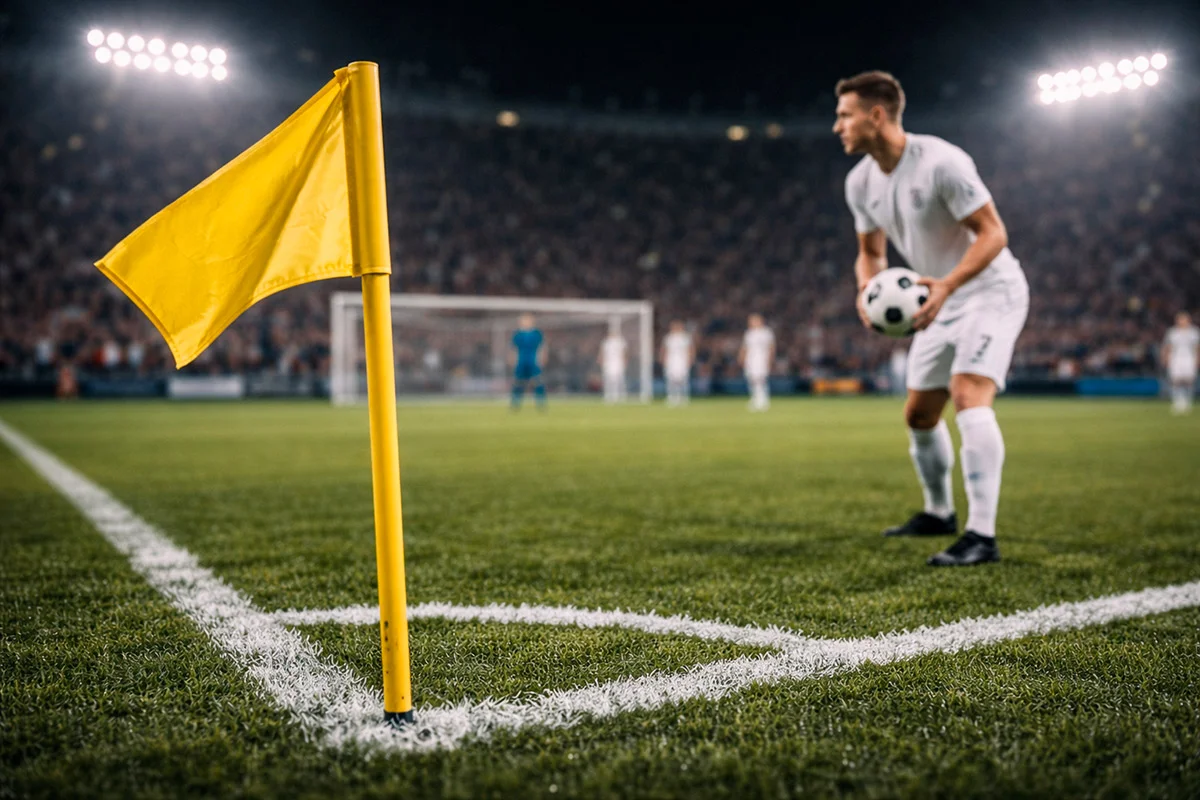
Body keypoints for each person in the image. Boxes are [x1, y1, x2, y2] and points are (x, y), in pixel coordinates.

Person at [835, 70, 1029, 567]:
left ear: (876, 116)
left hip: (988, 290)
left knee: (968, 394)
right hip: (934, 298)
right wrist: (867, 290)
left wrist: (947, 284)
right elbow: (871, 253)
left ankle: (982, 535)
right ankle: (939, 511)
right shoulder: (859, 182)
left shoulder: (942, 162)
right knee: (919, 414)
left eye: (845, 115)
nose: (838, 126)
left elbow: (993, 234)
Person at [1162, 311, 1198, 415]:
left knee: (1189, 381)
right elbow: (1167, 347)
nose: (1181, 321)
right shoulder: (1172, 332)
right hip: (1176, 358)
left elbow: (1197, 347)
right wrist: (1166, 358)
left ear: (1188, 320)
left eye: (1183, 319)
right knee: (1176, 381)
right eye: (1180, 319)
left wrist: (1197, 359)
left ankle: (1187, 402)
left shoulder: (1194, 332)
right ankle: (1178, 402)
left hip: (1189, 358)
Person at [738, 314, 775, 412]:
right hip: (751, 359)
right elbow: (745, 347)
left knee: (761, 379)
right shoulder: (749, 333)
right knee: (752, 379)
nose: (751, 323)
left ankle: (763, 400)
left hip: (762, 359)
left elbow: (771, 347)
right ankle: (755, 398)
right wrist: (742, 358)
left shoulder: (766, 333)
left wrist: (770, 360)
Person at [510, 313, 547, 411]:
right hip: (521, 361)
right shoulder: (518, 334)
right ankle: (515, 403)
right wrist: (512, 359)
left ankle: (541, 403)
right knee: (518, 383)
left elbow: (542, 347)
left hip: (533, 360)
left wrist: (542, 358)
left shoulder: (536, 333)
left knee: (538, 382)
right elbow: (513, 349)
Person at [661, 320, 695, 407]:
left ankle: (683, 397)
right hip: (671, 360)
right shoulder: (669, 338)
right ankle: (672, 397)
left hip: (682, 360)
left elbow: (690, 349)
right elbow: (664, 350)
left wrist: (690, 359)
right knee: (671, 380)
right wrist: (664, 359)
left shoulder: (685, 338)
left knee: (683, 380)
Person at [599, 324, 628, 403]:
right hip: (608, 363)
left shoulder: (621, 341)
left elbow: (624, 353)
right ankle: (608, 395)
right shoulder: (606, 342)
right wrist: (601, 360)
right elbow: (602, 353)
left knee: (619, 380)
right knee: (608, 380)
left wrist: (624, 361)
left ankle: (619, 395)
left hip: (618, 363)